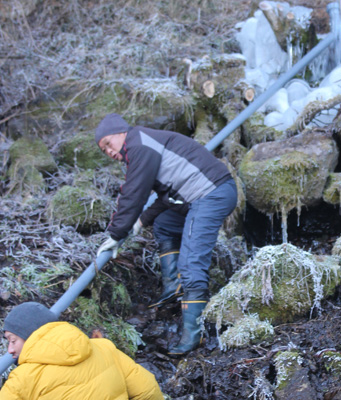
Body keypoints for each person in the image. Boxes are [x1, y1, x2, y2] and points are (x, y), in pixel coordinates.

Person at [94, 113, 237, 355]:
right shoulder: (145, 142)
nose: (108, 151)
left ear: (121, 133)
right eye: (103, 149)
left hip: (210, 194)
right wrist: (140, 222)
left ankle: (195, 335)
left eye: (108, 143)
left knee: (191, 262)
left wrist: (116, 233)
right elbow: (166, 196)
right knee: (164, 224)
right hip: (202, 194)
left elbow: (133, 193)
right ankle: (174, 286)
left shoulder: (138, 144)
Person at [0, 302, 163, 399]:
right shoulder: (103, 347)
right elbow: (147, 388)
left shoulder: (22, 379)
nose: (10, 350)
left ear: (31, 335)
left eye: (13, 340)